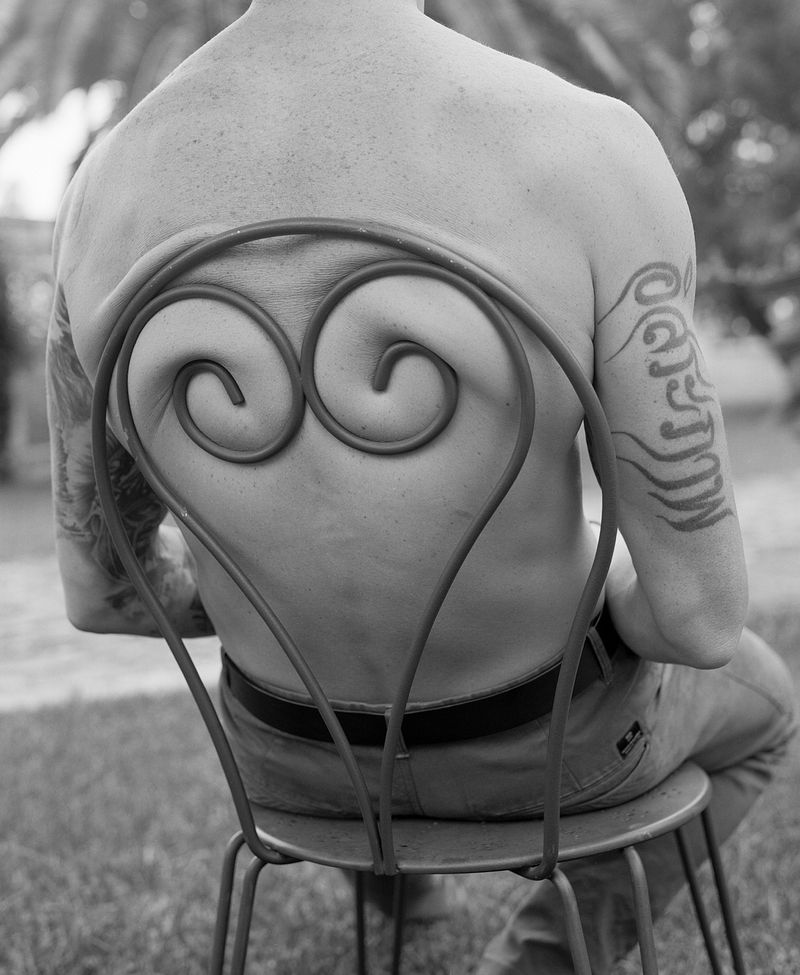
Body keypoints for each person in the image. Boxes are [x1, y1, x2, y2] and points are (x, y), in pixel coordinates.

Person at [46, 0, 796, 970]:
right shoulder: (586, 146)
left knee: (319, 625)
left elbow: (105, 596)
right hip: (546, 749)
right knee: (762, 705)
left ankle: (402, 904)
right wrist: (592, 592)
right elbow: (694, 616)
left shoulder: (103, 185)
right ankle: (545, 957)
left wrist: (295, 599)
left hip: (286, 756)